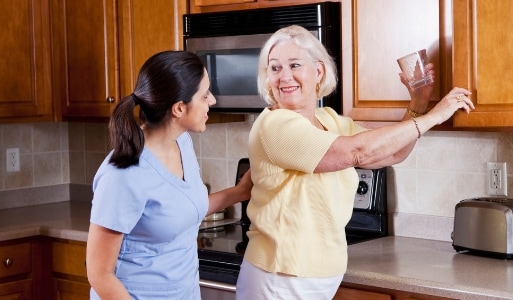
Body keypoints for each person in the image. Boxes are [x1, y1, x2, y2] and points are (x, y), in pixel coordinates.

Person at [235, 25, 475, 299]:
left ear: (319, 71)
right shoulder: (275, 125)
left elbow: (392, 153)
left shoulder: (328, 119)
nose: (284, 76)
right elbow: (358, 152)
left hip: (314, 275)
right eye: (275, 68)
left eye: (294, 65)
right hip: (279, 275)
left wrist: (419, 103)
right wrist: (435, 116)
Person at [86, 50, 253, 299]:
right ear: (179, 108)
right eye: (205, 94)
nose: (212, 100)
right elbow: (100, 274)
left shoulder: (182, 143)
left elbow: (182, 211)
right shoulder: (123, 174)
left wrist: (239, 192)